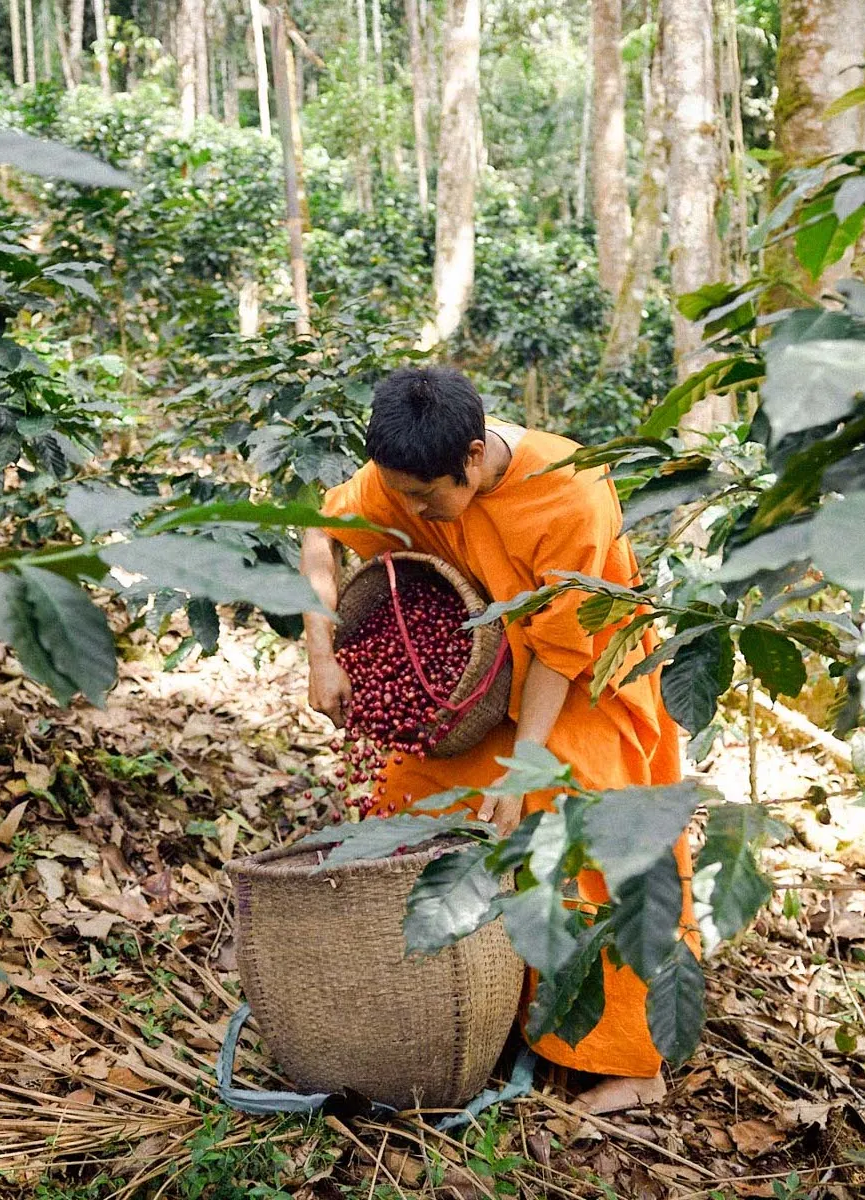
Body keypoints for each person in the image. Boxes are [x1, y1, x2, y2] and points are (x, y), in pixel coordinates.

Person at [300, 365, 694, 1115]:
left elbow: (558, 646)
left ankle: (633, 1059)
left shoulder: (570, 492)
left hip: (582, 677)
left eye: (425, 498)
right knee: (416, 816)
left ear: (474, 456)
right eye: (403, 495)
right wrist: (322, 649)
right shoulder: (403, 471)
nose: (412, 509)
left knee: (582, 838)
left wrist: (522, 769)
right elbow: (319, 527)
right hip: (475, 682)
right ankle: (482, 1012)